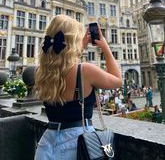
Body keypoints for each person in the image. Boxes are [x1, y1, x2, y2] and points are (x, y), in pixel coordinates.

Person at [34, 15, 122, 160]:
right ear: (74, 41)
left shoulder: (41, 71)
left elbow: (63, 62)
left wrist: (80, 46)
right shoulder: (85, 71)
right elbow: (117, 80)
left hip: (47, 143)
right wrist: (105, 47)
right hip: (76, 143)